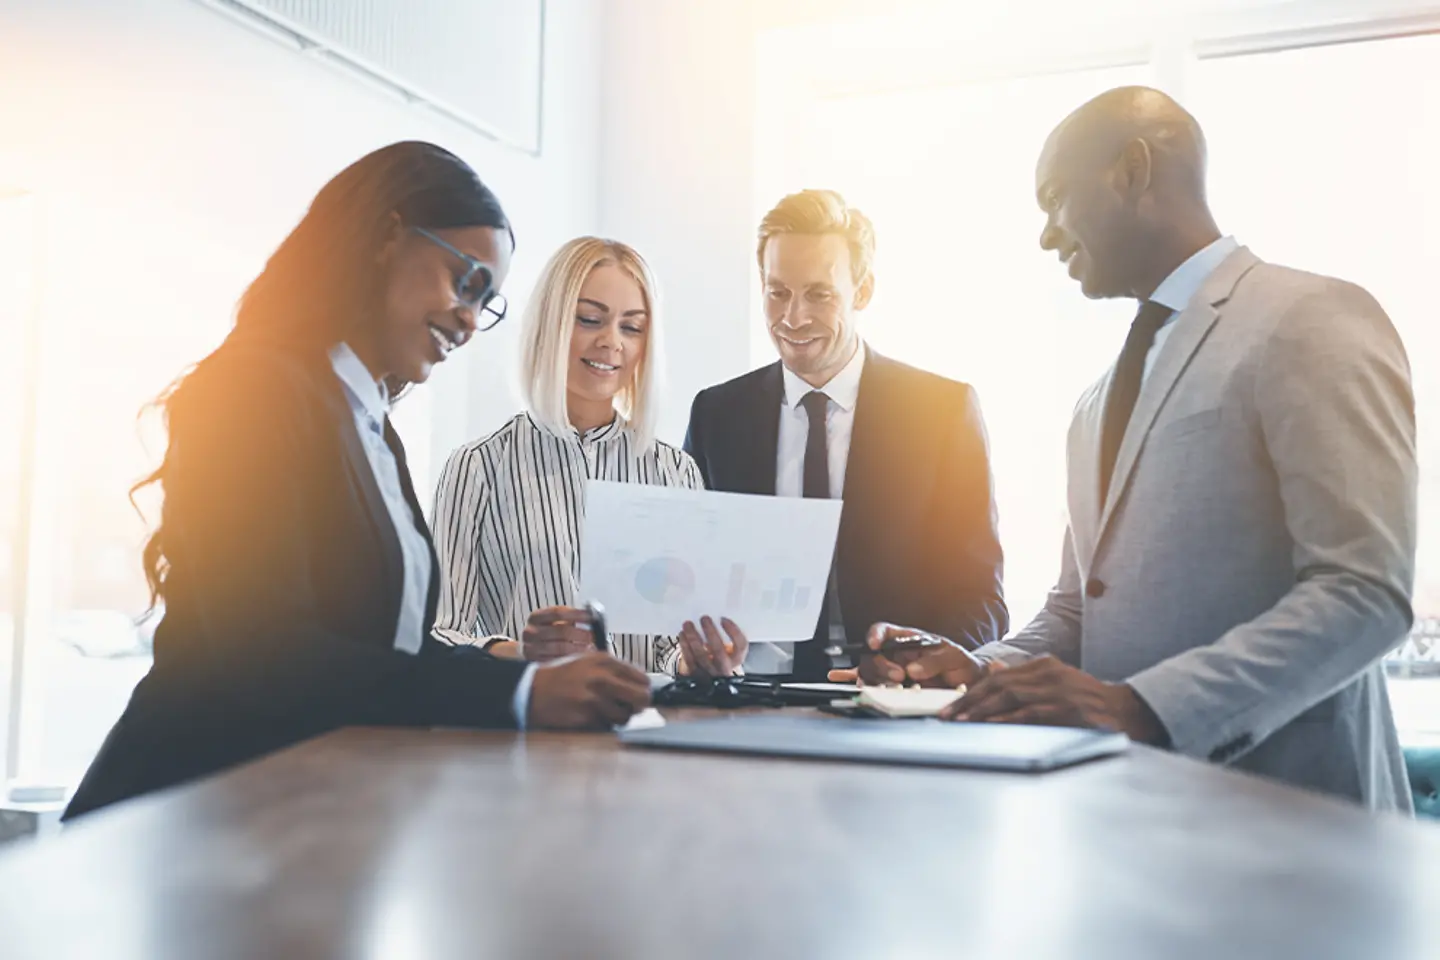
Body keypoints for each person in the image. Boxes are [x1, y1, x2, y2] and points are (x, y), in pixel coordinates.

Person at [859, 87, 1416, 811]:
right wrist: (982, 669)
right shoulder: (1094, 402)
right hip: (1137, 821)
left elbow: (1364, 592)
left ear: (1131, 170)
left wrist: (1144, 707)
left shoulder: (1311, 318)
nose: (1047, 236)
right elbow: (1078, 609)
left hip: (1301, 817)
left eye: (1056, 199)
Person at [64, 143, 650, 821]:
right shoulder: (253, 389)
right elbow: (266, 650)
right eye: (464, 282)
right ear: (387, 238)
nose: (468, 319)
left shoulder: (369, 421)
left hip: (300, 812)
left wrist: (528, 671)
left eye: (484, 301)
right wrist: (518, 695)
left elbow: (386, 650)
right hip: (189, 806)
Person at [684, 189, 1007, 682]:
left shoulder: (942, 412)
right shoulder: (717, 414)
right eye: (777, 292)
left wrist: (914, 667)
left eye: (819, 294)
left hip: (890, 704)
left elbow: (980, 598)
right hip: (749, 696)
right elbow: (690, 575)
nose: (792, 318)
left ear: (863, 291)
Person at [431, 237, 746, 676]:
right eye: (590, 319)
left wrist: (697, 659)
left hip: (649, 729)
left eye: (631, 327)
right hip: (534, 727)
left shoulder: (674, 472)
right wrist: (523, 651)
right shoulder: (478, 466)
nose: (611, 342)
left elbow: (668, 646)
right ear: (551, 323)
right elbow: (446, 632)